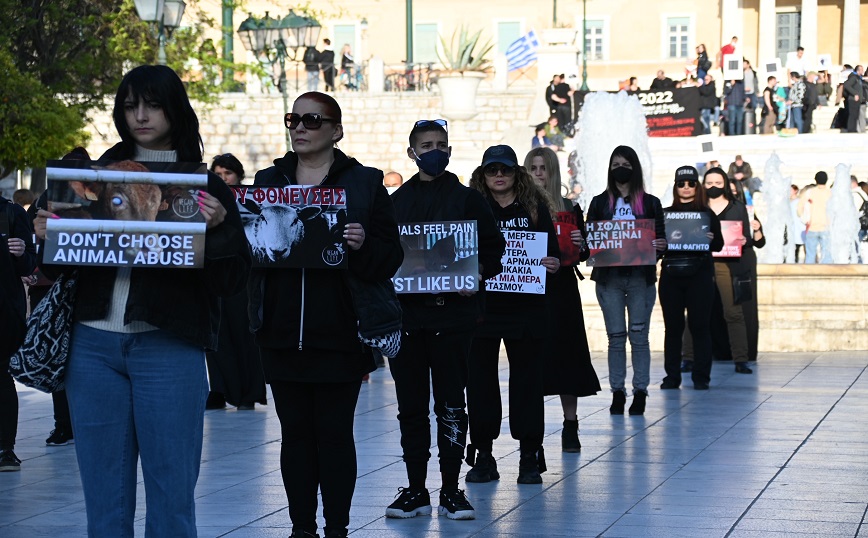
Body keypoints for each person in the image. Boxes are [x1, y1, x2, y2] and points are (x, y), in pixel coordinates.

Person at [32, 64, 251, 535]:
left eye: (152, 104)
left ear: (174, 109)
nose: (141, 116)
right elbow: (54, 269)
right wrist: (46, 235)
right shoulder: (88, 178)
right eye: (130, 106)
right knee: (104, 496)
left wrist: (217, 232)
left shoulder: (206, 186)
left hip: (168, 346)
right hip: (91, 347)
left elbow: (233, 282)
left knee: (172, 494)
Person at [249, 91, 403, 538]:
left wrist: (361, 245)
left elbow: (389, 257)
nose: (299, 127)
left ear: (336, 129)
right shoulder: (267, 179)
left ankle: (337, 527)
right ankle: (302, 528)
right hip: (278, 331)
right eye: (293, 118)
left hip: (340, 333)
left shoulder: (366, 182)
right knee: (294, 435)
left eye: (312, 120)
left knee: (334, 435)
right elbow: (250, 255)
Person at [385, 119, 504, 521]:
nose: (435, 150)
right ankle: (416, 488)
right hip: (406, 322)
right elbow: (384, 258)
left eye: (441, 144)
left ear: (450, 150)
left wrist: (478, 274)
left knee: (452, 404)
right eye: (426, 144)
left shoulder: (469, 200)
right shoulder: (396, 202)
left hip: (454, 320)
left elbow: (492, 249)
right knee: (411, 407)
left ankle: (452, 488)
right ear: (412, 152)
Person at [463, 145, 560, 486]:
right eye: (492, 171)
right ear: (483, 174)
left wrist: (554, 262)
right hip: (483, 309)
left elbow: (553, 252)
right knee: (479, 385)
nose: (499, 176)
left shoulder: (534, 206)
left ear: (516, 173)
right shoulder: (472, 206)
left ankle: (529, 456)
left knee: (528, 384)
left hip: (527, 308)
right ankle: (484, 455)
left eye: (504, 170)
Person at [525, 147, 600, 452]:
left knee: (568, 356)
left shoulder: (570, 206)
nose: (539, 173)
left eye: (544, 168)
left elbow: (582, 253)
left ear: (553, 172)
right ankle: (534, 432)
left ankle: (571, 424)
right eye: (533, 168)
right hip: (531, 289)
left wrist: (582, 244)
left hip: (563, 289)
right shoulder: (518, 207)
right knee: (534, 360)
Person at [586, 146, 666, 416]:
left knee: (639, 336)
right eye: (616, 163)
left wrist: (661, 244)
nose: (620, 168)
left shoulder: (651, 203)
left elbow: (661, 240)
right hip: (610, 277)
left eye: (626, 163)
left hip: (640, 276)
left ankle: (640, 391)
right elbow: (590, 241)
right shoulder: (599, 202)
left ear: (635, 168)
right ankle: (617, 392)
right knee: (616, 336)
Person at [204, 153, 266, 411]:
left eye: (227, 174)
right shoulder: (207, 201)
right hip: (215, 270)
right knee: (216, 333)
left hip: (244, 272)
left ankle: (247, 392)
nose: (223, 179)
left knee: (243, 332)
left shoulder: (250, 200)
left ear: (238, 175)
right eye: (217, 174)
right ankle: (219, 388)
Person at [659, 166, 723, 391]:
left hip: (700, 276)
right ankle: (672, 376)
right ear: (676, 187)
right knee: (673, 328)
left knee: (700, 326)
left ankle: (701, 377)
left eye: (691, 183)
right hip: (671, 275)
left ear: (697, 186)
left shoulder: (707, 214)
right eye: (681, 183)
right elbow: (657, 248)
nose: (686, 187)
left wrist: (711, 238)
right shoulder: (664, 214)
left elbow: (719, 245)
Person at [702, 167, 763, 373]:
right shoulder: (699, 207)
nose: (713, 187)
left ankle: (741, 358)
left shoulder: (739, 208)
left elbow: (750, 239)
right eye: (709, 183)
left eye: (718, 183)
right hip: (701, 263)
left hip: (728, 264)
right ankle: (689, 358)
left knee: (733, 312)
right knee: (696, 312)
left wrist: (748, 238)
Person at [0, 190, 37, 472]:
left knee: (2, 378)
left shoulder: (12, 213)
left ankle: (6, 448)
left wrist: (22, 252)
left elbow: (29, 265)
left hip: (4, 311)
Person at [798, 171, 833, 264]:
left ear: (815, 180)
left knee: (810, 255)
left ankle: (809, 276)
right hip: (827, 227)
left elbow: (799, 208)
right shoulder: (831, 193)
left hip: (811, 227)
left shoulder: (809, 192)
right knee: (826, 255)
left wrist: (803, 218)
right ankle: (827, 276)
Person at [789, 184, 806, 263]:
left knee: (805, 246)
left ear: (795, 191)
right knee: (794, 248)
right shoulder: (787, 201)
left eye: (791, 190)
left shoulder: (799, 201)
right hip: (793, 227)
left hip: (801, 226)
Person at [843, 66, 863, 133]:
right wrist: (854, 94)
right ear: (858, 70)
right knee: (852, 115)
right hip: (853, 99)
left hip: (857, 100)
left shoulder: (859, 78)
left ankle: (853, 129)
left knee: (855, 115)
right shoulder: (854, 77)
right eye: (861, 69)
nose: (863, 71)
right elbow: (846, 85)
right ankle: (851, 129)